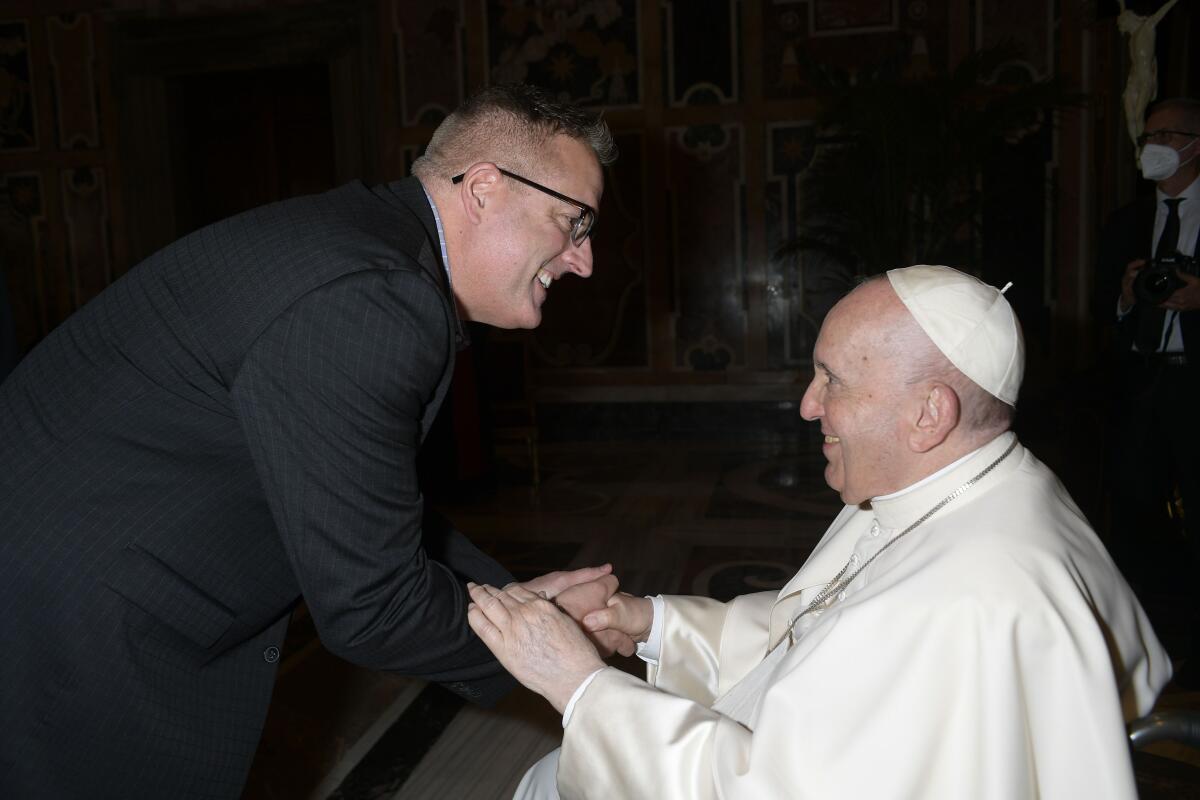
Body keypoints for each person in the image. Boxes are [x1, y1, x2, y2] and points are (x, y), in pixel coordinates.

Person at [0, 84, 625, 799]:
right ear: (483, 188)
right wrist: (535, 645)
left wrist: (515, 601)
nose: (584, 261)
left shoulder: (366, 250)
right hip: (65, 622)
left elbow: (362, 500)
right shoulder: (374, 297)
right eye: (572, 222)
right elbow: (372, 605)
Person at [467, 265, 1172, 800]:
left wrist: (579, 685)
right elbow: (814, 635)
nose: (807, 407)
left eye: (831, 380)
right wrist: (650, 623)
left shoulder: (969, 598)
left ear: (929, 415)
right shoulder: (960, 485)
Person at [1098, 96, 1200, 685]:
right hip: (1142, 386)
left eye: (1168, 133)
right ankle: (1153, 639)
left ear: (1194, 143)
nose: (1154, 144)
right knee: (1136, 512)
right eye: (1148, 134)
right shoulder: (1125, 222)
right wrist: (1129, 297)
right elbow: (1100, 309)